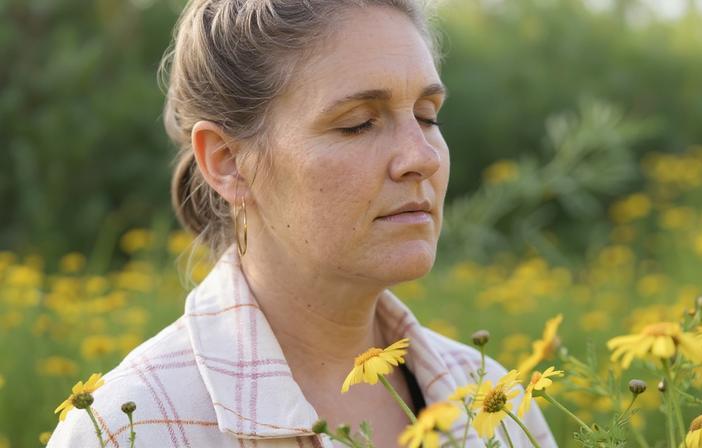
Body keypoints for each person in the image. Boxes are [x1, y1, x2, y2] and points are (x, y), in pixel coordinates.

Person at [48, 0, 557, 446]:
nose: (421, 157)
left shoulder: (495, 400)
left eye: (427, 115)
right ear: (227, 161)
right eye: (358, 123)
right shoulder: (131, 428)